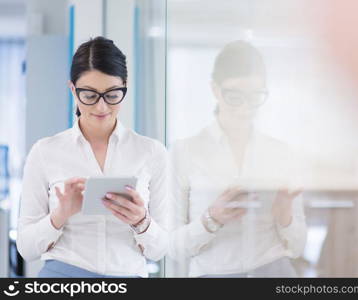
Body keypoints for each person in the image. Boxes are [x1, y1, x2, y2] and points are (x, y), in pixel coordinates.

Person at [17, 37, 169, 278]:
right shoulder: (45, 152)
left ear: (125, 86)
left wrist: (141, 221)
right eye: (89, 95)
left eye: (112, 94)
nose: (101, 107)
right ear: (72, 90)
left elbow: (160, 250)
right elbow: (26, 248)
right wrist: (60, 215)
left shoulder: (151, 152)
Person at [168, 41, 307, 277]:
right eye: (234, 96)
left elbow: (297, 247)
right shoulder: (184, 152)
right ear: (215, 89)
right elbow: (172, 247)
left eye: (255, 96)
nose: (245, 107)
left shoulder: (281, 153)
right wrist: (212, 219)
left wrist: (284, 213)